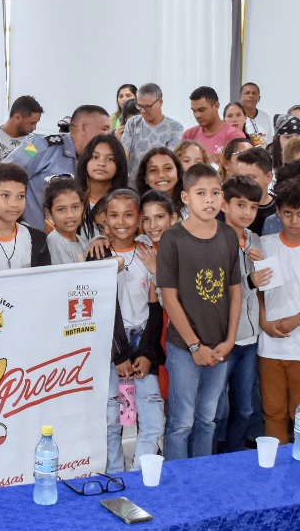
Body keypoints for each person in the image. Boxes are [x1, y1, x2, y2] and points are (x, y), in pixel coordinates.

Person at [156, 164, 240, 459]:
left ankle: (202, 480)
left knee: (208, 419)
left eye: (215, 193)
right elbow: (169, 297)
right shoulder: (173, 239)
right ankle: (176, 485)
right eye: (201, 193)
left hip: (220, 346)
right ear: (185, 197)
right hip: (184, 347)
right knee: (182, 422)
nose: (209, 200)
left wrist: (230, 340)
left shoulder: (228, 236)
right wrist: (194, 345)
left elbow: (235, 289)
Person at [256, 177, 300, 443]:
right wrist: (264, 322)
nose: (294, 220)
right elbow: (258, 292)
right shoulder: (264, 244)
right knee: (273, 411)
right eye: (287, 213)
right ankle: (275, 464)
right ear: (278, 211)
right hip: (270, 344)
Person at [100, 188, 164, 472]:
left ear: (139, 219)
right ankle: (114, 473)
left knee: (152, 416)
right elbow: (102, 309)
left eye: (128, 215)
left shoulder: (148, 252)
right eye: (114, 215)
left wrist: (148, 351)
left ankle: (140, 474)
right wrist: (119, 353)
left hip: (142, 342)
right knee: (111, 416)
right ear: (104, 220)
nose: (121, 221)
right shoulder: (97, 254)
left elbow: (156, 306)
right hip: (111, 344)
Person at [216, 176, 271, 451]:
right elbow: (213, 293)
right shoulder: (213, 239)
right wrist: (251, 281)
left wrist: (266, 271)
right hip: (223, 337)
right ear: (223, 204)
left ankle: (235, 457)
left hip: (250, 337)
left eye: (252, 207)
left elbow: (266, 284)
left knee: (245, 408)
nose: (247, 212)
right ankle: (212, 458)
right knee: (216, 410)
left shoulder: (255, 238)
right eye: (240, 205)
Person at [10, 103, 110, 227]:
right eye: (104, 129)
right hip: (31, 236)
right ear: (84, 128)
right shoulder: (39, 146)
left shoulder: (94, 163)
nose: (109, 135)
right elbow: (5, 173)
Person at [75, 134, 128, 244]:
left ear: (119, 165)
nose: (101, 163)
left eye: (110, 159)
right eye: (95, 157)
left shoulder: (129, 202)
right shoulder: (71, 200)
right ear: (85, 160)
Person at [180, 87, 246, 160]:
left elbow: (241, 167)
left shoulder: (235, 136)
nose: (197, 115)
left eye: (202, 110)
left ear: (216, 105)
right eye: (194, 111)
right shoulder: (189, 135)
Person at [0, 95, 44, 164]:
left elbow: (34, 163)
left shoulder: (30, 140)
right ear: (17, 117)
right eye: (32, 123)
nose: (34, 128)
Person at [229, 147, 276, 235]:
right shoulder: (228, 206)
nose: (244, 182)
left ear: (268, 177)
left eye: (251, 177)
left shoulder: (281, 209)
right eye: (240, 177)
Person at [43, 177, 86, 265]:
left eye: (75, 207)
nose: (70, 215)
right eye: (61, 209)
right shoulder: (55, 242)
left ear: (82, 207)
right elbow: (67, 277)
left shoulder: (83, 241)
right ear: (49, 213)